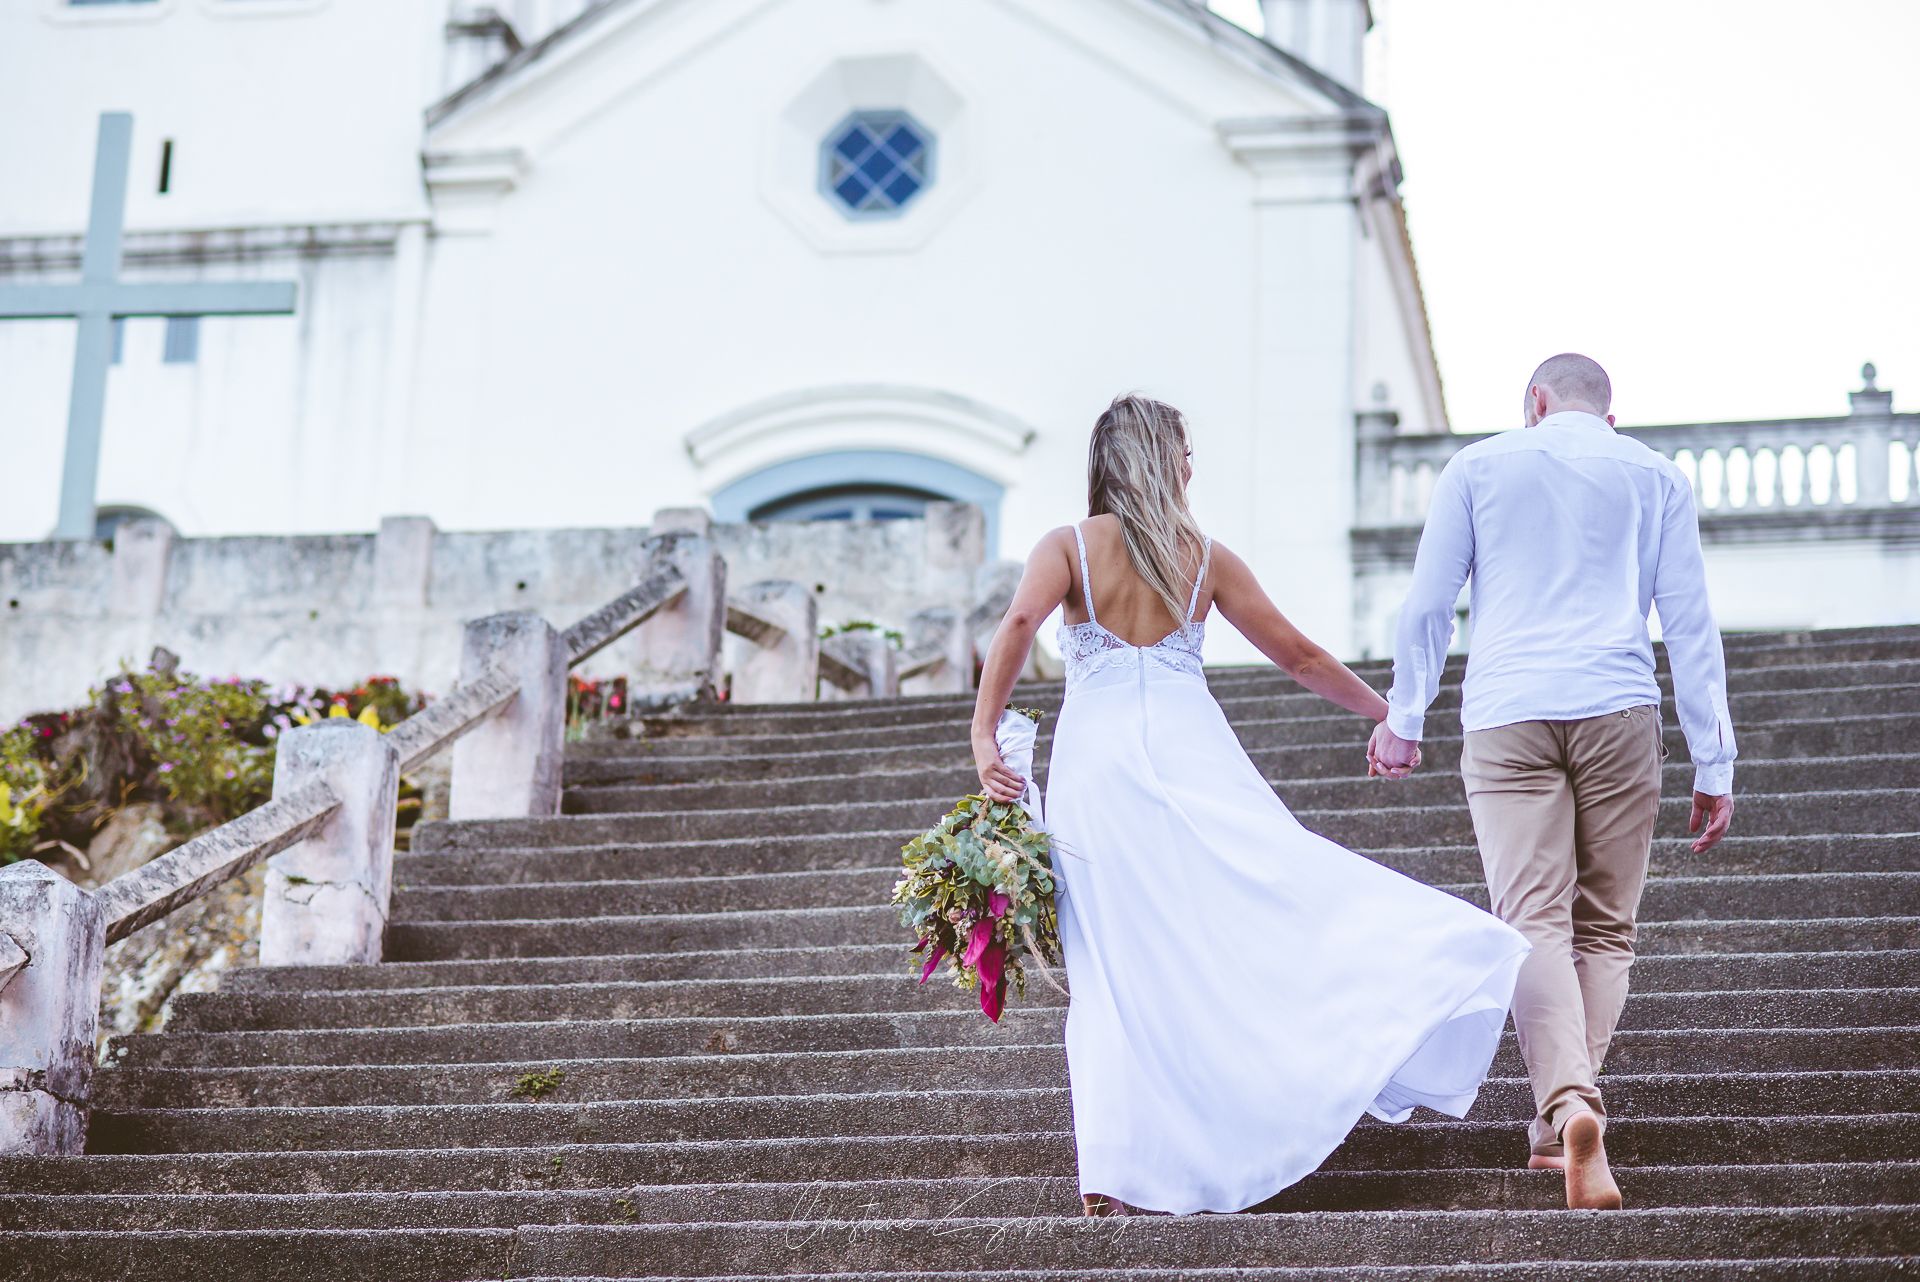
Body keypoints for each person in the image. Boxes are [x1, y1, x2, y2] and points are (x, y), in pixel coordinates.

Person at [970, 393, 1530, 1217]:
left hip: (1100, 764)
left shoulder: (1068, 546)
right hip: (1193, 753)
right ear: (1161, 458)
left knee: (1115, 965)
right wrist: (1390, 715)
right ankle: (1410, 975)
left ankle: (1116, 1176)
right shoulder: (1206, 557)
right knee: (1262, 896)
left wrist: (985, 736)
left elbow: (1018, 622)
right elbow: (1298, 655)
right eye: (1185, 450)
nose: (1193, 464)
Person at [1371, 354, 1737, 1211]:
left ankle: (1566, 1110)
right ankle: (1565, 1120)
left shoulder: (1477, 467)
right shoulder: (1656, 478)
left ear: (1535, 402)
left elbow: (1429, 603)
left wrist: (1406, 715)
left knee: (1530, 918)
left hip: (1507, 711)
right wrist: (1712, 761)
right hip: (1618, 707)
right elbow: (1689, 624)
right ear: (1609, 414)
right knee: (1604, 929)